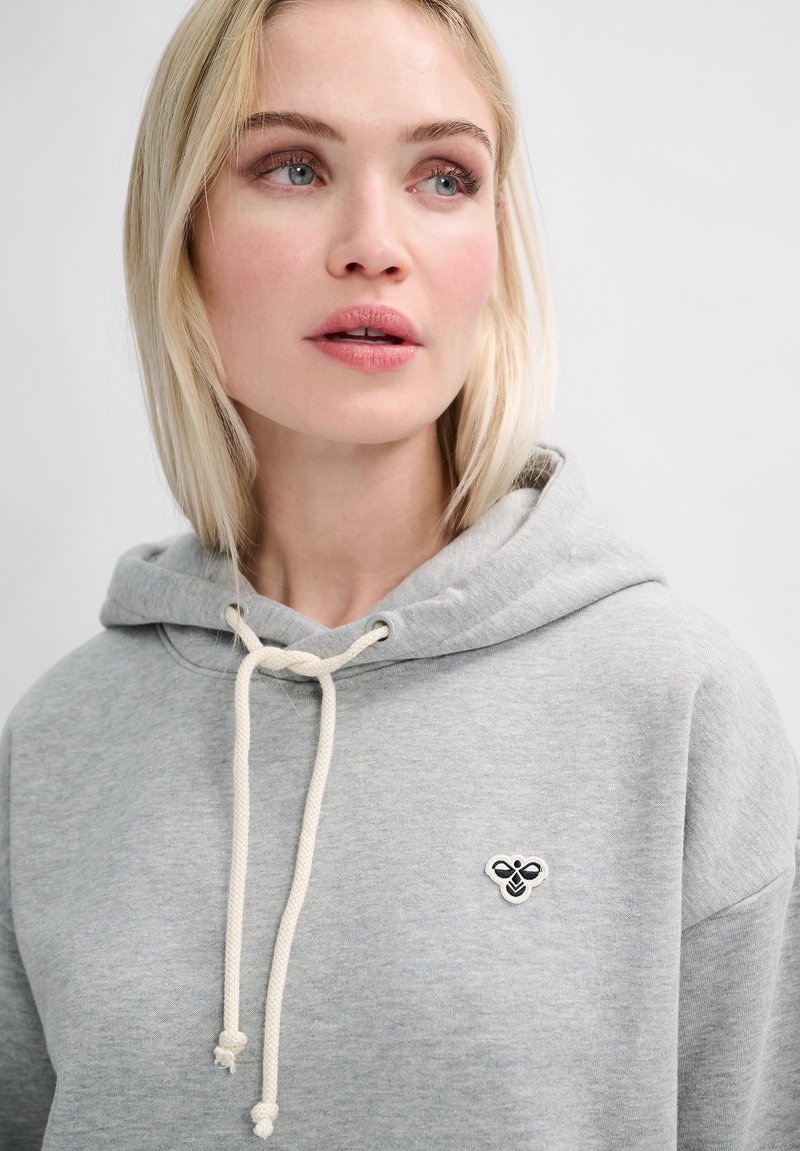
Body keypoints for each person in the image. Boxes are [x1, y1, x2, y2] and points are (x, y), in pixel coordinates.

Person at [1, 0, 797, 1146]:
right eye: (292, 166)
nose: (373, 242)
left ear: (493, 244)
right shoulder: (59, 743)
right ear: (182, 230)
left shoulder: (673, 708)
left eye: (442, 177)